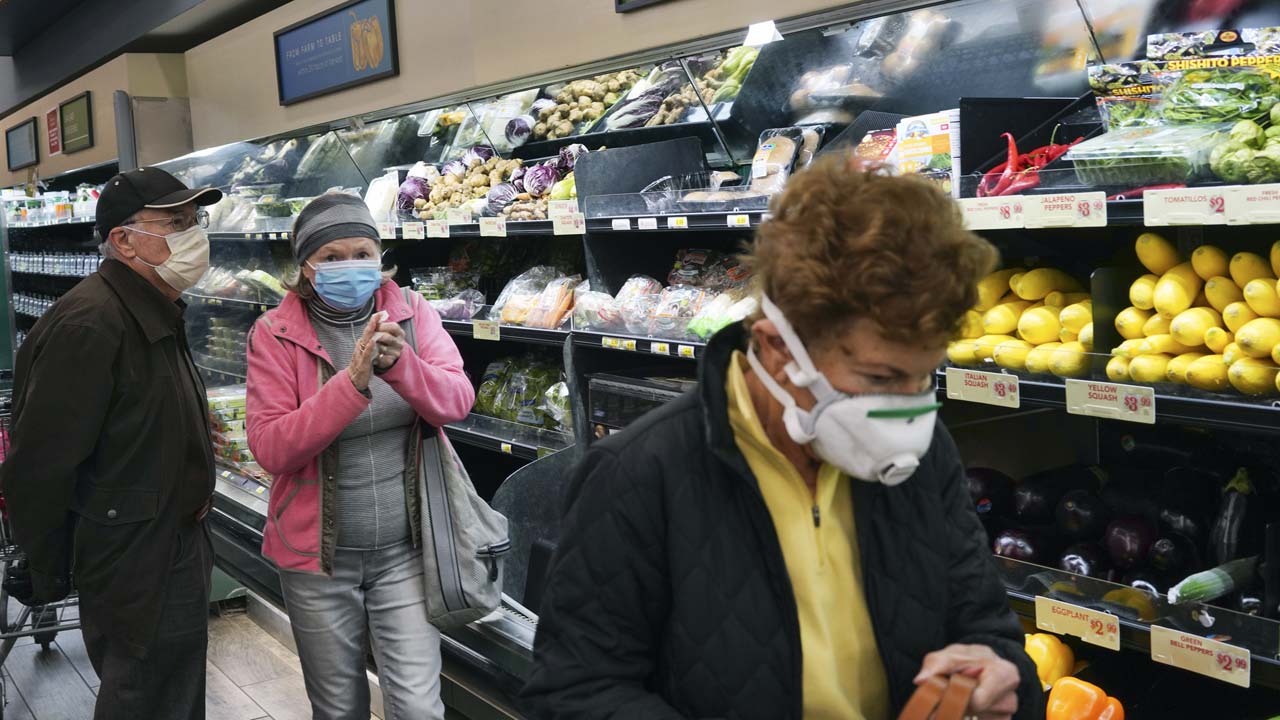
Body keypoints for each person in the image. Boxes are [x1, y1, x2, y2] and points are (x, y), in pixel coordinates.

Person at [523, 155, 1044, 720]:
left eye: (923, 377)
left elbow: (987, 628)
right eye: (879, 378)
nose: (909, 410)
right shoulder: (639, 476)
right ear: (776, 348)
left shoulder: (925, 453)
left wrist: (998, 676)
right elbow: (574, 694)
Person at [2, 167, 222, 719]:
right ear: (123, 240)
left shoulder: (150, 305)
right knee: (146, 695)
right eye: (175, 223)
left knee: (167, 688)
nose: (193, 236)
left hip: (166, 537)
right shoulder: (92, 324)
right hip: (136, 550)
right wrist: (50, 568)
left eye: (195, 221)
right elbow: (40, 463)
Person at [245, 192, 474, 719]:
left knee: (419, 706)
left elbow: (458, 400)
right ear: (305, 266)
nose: (350, 265)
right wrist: (351, 384)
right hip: (319, 562)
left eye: (362, 252)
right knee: (339, 707)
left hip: (408, 552)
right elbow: (273, 447)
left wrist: (403, 368)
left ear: (380, 256)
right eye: (331, 257)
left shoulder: (412, 312)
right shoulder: (275, 334)